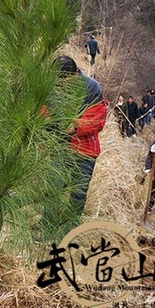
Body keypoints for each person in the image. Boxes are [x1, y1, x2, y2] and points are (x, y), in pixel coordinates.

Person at [58, 55, 107, 214]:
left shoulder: (92, 87)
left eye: (65, 82)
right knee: (53, 187)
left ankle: (70, 226)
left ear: (75, 74)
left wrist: (74, 126)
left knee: (78, 192)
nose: (61, 86)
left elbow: (97, 119)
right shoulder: (52, 85)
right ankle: (47, 226)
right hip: (58, 148)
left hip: (84, 149)